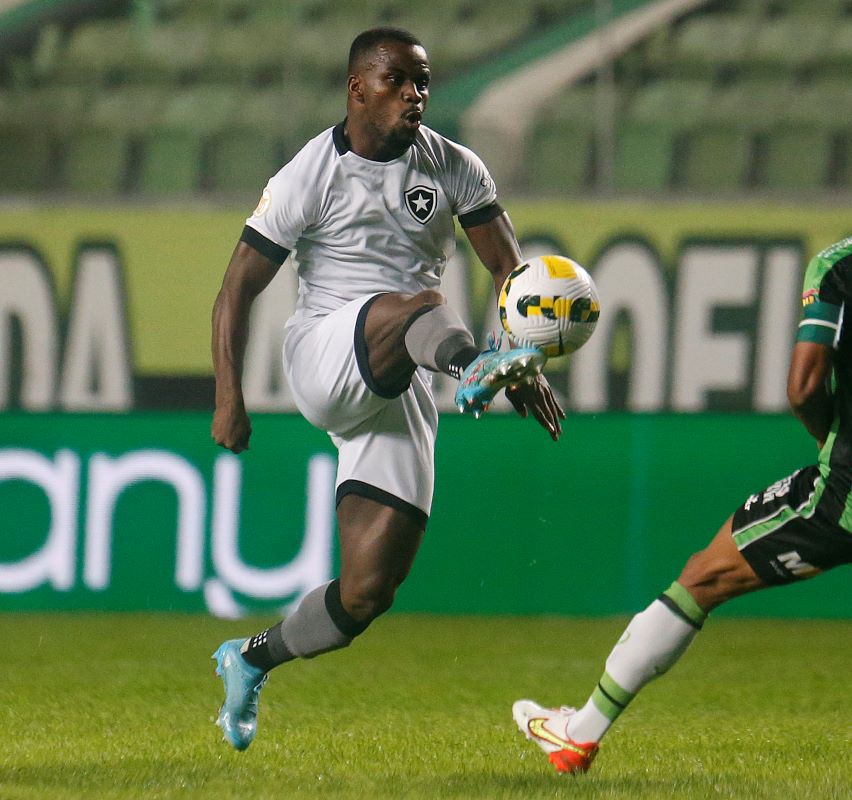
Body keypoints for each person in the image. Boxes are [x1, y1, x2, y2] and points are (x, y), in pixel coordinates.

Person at [513, 133, 852, 777]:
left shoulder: (845, 266)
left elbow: (803, 388)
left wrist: (842, 445)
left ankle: (578, 733)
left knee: (701, 578)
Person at [209, 26, 564, 751]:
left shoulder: (455, 166)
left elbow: (509, 271)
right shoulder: (309, 174)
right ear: (357, 89)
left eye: (423, 82)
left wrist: (520, 349)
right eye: (399, 81)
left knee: (367, 593)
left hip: (402, 380)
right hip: (327, 355)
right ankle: (472, 370)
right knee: (420, 304)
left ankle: (250, 658)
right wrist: (228, 395)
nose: (416, 95)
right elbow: (236, 290)